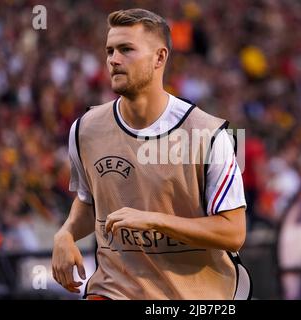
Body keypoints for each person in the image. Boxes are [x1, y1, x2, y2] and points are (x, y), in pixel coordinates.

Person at [51, 8, 251, 300]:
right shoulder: (85, 130)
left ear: (160, 57)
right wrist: (66, 233)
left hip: (194, 295)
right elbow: (90, 201)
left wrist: (154, 220)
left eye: (126, 50)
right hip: (115, 289)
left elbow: (234, 233)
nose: (113, 60)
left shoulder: (210, 135)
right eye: (109, 51)